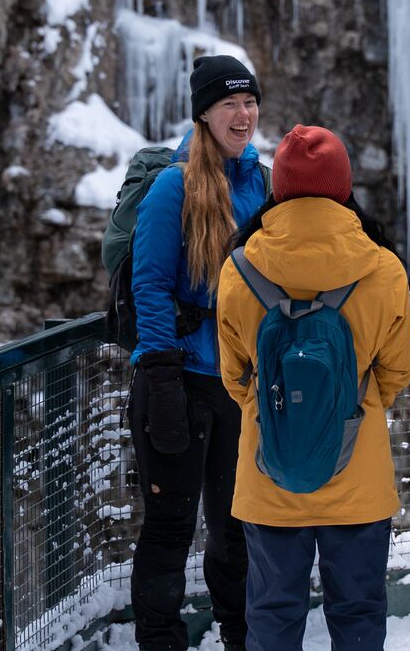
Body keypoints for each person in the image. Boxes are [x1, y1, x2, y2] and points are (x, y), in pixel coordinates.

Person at [217, 126, 410, 651]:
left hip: (270, 472)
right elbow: (397, 372)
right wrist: (349, 411)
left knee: (272, 614)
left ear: (277, 189)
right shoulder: (384, 268)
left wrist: (280, 413)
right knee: (358, 612)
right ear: (344, 186)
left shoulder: (238, 270)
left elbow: (235, 377)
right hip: (358, 473)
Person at [128, 55, 271, 651]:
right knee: (169, 526)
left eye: (250, 102)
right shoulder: (173, 185)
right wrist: (161, 377)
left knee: (236, 526)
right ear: (205, 114)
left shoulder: (259, 179)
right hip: (180, 381)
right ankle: (161, 642)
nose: (243, 115)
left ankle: (239, 636)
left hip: (237, 383)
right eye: (229, 105)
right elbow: (151, 283)